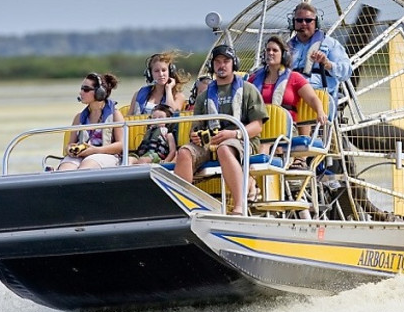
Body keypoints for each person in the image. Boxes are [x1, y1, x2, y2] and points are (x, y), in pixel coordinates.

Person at [174, 45, 268, 216]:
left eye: (226, 61)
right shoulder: (203, 96)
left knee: (225, 148)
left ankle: (239, 206)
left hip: (241, 140)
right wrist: (195, 137)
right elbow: (196, 128)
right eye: (217, 62)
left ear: (234, 64)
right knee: (184, 152)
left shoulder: (248, 90)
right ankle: (183, 207)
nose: (221, 65)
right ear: (212, 66)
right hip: (210, 142)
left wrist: (234, 133)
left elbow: (257, 126)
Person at [248, 35, 326, 153]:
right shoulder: (254, 79)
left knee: (265, 144)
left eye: (275, 50)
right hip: (259, 127)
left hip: (284, 127)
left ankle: (263, 167)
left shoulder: (294, 78)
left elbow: (312, 98)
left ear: (284, 54)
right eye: (268, 50)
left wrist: (320, 111)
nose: (270, 53)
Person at [288, 2, 352, 122]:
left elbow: (346, 71)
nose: (303, 24)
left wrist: (328, 64)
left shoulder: (330, 44)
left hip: (320, 100)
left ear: (316, 22)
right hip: (291, 101)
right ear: (293, 23)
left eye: (308, 20)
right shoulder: (285, 48)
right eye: (299, 20)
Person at [57, 72, 124, 171]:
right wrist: (71, 150)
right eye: (81, 89)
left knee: (86, 166)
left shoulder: (115, 115)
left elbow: (121, 145)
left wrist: (95, 150)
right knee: (65, 169)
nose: (81, 92)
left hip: (105, 155)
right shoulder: (78, 117)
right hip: (81, 156)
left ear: (99, 92)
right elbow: (70, 144)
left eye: (86, 89)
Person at [129, 50, 191, 115]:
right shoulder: (138, 94)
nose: (161, 74)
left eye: (164, 70)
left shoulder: (178, 96)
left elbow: (173, 114)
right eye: (156, 71)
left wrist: (168, 89)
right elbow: (128, 119)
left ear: (170, 72)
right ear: (150, 74)